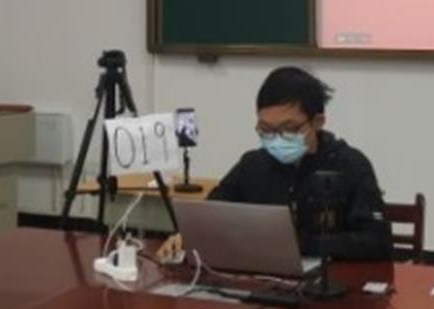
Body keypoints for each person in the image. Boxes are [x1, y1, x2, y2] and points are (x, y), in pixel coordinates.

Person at [159, 66, 392, 261]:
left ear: (318, 122)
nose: (276, 138)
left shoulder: (350, 165)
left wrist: (300, 244)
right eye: (266, 129)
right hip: (261, 279)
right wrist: (188, 235)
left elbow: (377, 242)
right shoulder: (253, 165)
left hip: (332, 284)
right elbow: (211, 214)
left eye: (289, 129)